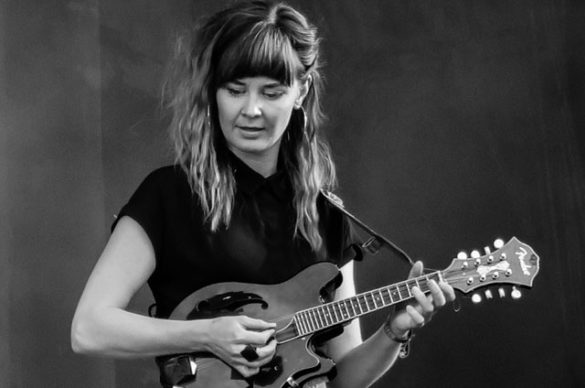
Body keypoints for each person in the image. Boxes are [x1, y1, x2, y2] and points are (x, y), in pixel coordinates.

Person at [71, 1, 456, 387]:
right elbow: (88, 329)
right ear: (213, 91)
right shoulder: (168, 196)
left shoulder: (327, 217)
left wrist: (394, 331)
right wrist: (206, 334)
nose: (251, 110)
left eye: (271, 92)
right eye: (235, 90)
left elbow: (343, 379)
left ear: (301, 90)